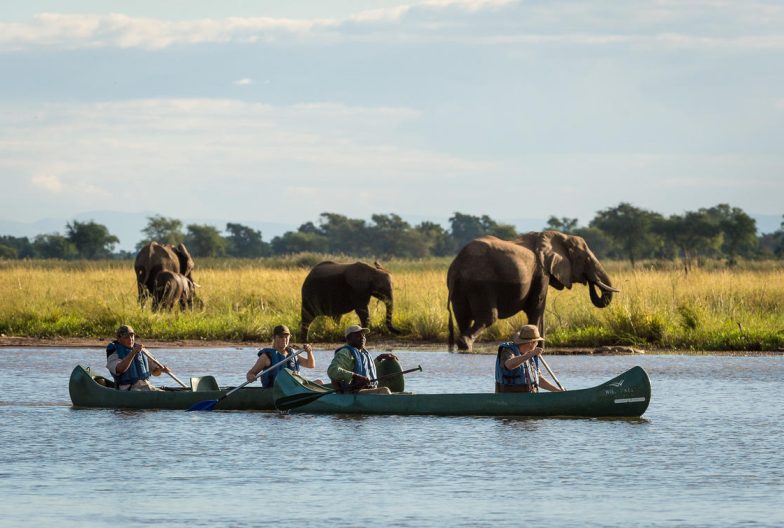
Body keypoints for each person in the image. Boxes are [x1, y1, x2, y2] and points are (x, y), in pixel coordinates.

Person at [327, 325, 397, 395]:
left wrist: (380, 358)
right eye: (358, 336)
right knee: (384, 390)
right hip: (352, 393)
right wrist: (355, 376)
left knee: (402, 393)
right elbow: (332, 370)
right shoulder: (345, 352)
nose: (362, 338)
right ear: (348, 339)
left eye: (363, 335)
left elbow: (366, 369)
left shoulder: (362, 352)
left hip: (366, 391)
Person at [495, 324, 564, 393]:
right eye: (537, 342)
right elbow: (509, 365)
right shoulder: (508, 350)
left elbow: (538, 379)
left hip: (529, 397)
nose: (537, 344)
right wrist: (531, 354)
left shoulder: (531, 355)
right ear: (531, 343)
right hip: (509, 397)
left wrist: (556, 390)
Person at [246, 325, 316, 387]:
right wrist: (251, 377)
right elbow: (250, 373)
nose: (284, 340)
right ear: (274, 337)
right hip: (274, 391)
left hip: (294, 389)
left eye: (286, 337)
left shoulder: (293, 354)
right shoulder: (266, 357)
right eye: (281, 337)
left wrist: (309, 352)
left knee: (319, 382)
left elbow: (310, 365)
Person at [105, 325, 170, 391]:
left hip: (146, 386)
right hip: (128, 389)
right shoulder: (115, 353)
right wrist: (133, 353)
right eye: (126, 337)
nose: (130, 339)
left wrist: (161, 370)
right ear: (119, 339)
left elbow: (155, 372)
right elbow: (120, 369)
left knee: (161, 392)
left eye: (132, 335)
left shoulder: (142, 351)